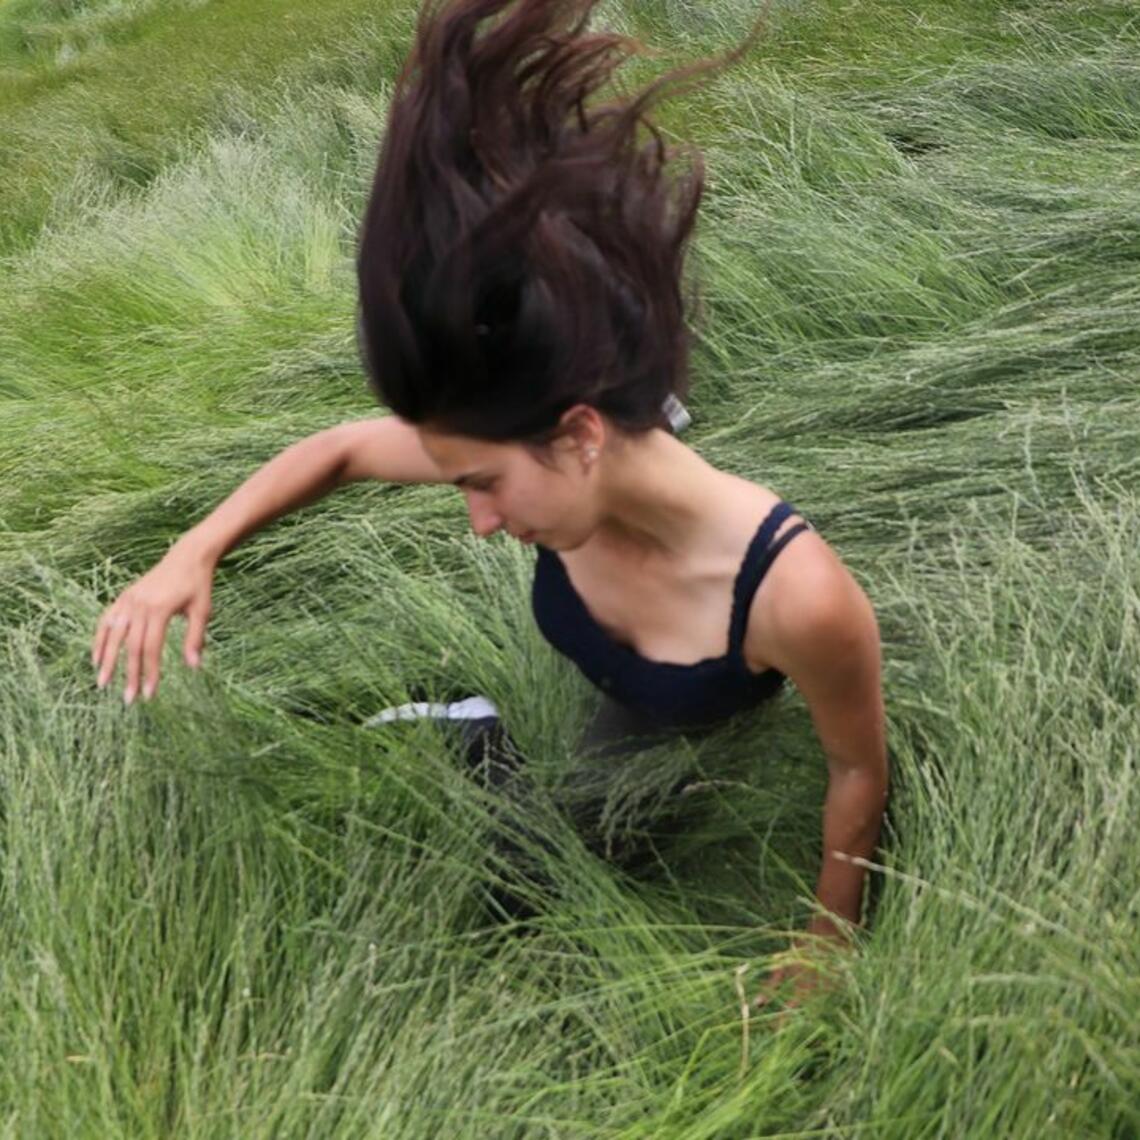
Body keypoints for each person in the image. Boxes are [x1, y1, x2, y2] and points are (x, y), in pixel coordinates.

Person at [90, 0, 888, 1001]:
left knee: (570, 871)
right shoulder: (540, 451)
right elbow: (339, 450)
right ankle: (470, 723)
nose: (478, 520)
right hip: (614, 693)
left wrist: (825, 941)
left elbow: (858, 774)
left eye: (482, 485)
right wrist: (192, 550)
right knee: (536, 874)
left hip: (675, 736)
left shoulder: (796, 597)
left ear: (581, 435)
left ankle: (487, 743)